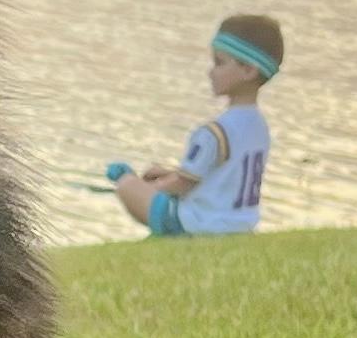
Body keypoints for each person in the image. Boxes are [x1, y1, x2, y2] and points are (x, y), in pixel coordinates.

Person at [110, 14, 284, 236]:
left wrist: (144, 187)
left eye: (219, 63)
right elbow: (224, 176)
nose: (211, 71)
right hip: (241, 226)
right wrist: (166, 173)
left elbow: (183, 184)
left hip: (200, 225)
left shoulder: (215, 131)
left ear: (249, 71)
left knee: (126, 185)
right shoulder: (260, 127)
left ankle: (169, 233)